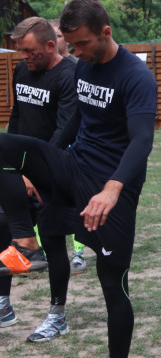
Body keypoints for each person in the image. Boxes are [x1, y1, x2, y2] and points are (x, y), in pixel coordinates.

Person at [0, 0, 157, 358]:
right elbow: (74, 123)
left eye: (82, 43)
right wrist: (42, 163)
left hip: (113, 190)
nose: (77, 53)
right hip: (74, 167)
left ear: (105, 31)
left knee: (113, 285)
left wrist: (111, 190)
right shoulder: (83, 65)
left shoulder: (135, 76)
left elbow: (142, 141)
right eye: (70, 44)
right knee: (5, 148)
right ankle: (24, 243)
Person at [0, 17, 78, 342]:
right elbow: (18, 114)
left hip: (55, 167)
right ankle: (4, 305)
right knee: (4, 226)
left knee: (54, 240)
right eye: (21, 52)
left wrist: (35, 169)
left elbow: (65, 131)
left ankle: (57, 316)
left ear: (50, 45)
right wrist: (11, 158)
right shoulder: (22, 71)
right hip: (23, 166)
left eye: (31, 52)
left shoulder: (68, 76)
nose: (25, 58)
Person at [51, 18, 88, 275]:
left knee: (76, 196)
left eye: (60, 36)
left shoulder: (79, 66)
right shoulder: (42, 70)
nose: (57, 40)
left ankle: (78, 252)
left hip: (74, 141)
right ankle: (47, 248)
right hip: (52, 139)